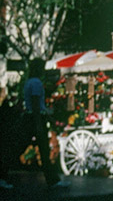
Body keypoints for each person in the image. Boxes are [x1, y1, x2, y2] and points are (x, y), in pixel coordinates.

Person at [22, 59, 67, 188]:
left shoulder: (29, 82)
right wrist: (39, 123)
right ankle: (52, 180)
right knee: (44, 149)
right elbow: (36, 104)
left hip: (31, 116)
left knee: (26, 145)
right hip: (36, 118)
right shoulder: (36, 83)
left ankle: (52, 179)